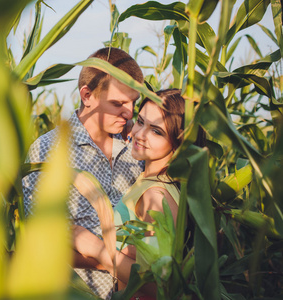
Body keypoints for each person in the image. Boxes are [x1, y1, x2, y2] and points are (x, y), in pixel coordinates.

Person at [22, 47, 144, 299]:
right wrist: (114, 263)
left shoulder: (136, 149)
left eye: (133, 102)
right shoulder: (48, 152)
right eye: (118, 103)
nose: (129, 112)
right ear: (87, 95)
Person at [72, 89, 206, 298]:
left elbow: (158, 286)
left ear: (181, 143)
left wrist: (96, 248)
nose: (139, 134)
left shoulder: (156, 196)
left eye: (156, 131)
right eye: (140, 121)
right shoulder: (153, 180)